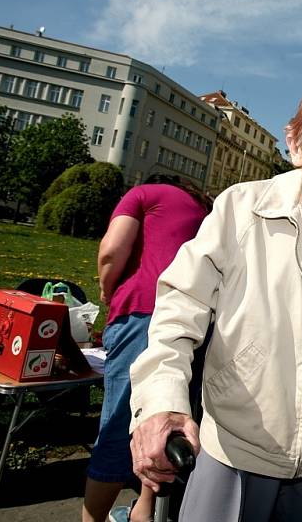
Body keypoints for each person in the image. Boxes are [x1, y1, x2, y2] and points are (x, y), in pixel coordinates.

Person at [128, 82, 302, 521]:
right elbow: (179, 310)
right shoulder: (241, 207)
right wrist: (162, 401)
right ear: (294, 144)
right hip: (234, 448)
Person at [83, 174, 211, 522]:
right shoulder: (205, 209)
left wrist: (108, 291)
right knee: (166, 421)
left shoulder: (142, 193)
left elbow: (111, 250)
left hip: (142, 311)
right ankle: (145, 510)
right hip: (196, 321)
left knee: (118, 421)